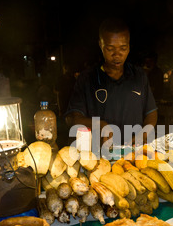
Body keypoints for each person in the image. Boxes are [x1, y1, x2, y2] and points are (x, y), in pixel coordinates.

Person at [65, 18, 158, 146]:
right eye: (110, 49)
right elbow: (72, 118)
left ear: (129, 47)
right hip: (99, 155)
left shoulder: (139, 76)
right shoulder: (87, 78)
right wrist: (100, 125)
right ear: (101, 45)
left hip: (133, 153)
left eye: (123, 48)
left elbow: (151, 113)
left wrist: (143, 134)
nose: (117, 55)